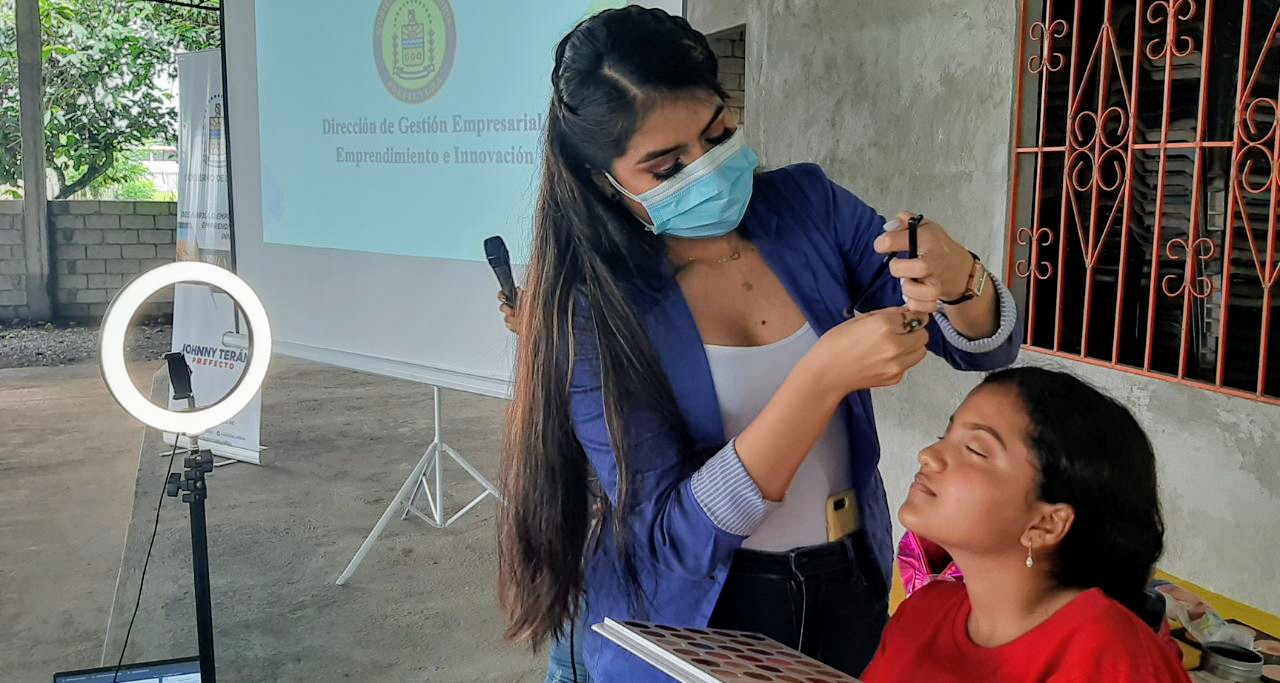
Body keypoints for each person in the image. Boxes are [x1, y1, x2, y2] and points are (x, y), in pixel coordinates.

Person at [495, 7, 1021, 680]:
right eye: (667, 167)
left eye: (719, 134)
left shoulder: (806, 207)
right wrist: (820, 380)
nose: (708, 170)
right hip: (700, 615)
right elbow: (673, 541)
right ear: (604, 181)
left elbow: (979, 348)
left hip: (845, 580)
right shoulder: (593, 310)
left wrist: (958, 277)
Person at [861, 367, 1189, 682]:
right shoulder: (922, 612)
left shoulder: (1112, 661)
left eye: (975, 449)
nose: (928, 454)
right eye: (944, 435)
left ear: (1045, 524)